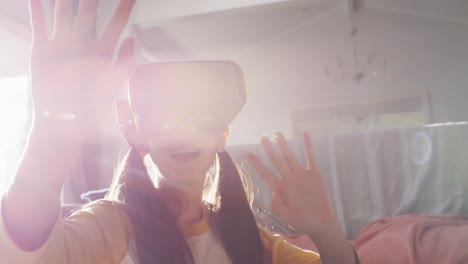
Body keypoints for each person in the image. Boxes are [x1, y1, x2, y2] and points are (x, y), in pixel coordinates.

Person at [0, 0, 360, 263]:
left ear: (222, 135)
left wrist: (325, 230)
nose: (184, 129)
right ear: (139, 137)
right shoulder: (111, 227)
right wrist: (50, 136)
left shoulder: (254, 243)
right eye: (165, 116)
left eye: (201, 115)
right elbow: (25, 252)